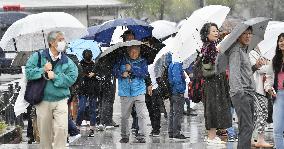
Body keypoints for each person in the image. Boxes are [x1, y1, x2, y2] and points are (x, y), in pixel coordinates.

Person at [25, 31, 78, 149]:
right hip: (43, 100)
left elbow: (72, 78)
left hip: (61, 99)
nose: (63, 42)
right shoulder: (38, 56)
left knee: (62, 128)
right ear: (51, 42)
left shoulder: (67, 60)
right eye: (60, 40)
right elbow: (28, 73)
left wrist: (55, 77)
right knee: (44, 132)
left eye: (63, 39)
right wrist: (42, 70)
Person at [200, 23, 231, 144]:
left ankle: (212, 136)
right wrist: (220, 52)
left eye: (217, 30)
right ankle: (211, 137)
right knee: (212, 107)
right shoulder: (210, 47)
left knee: (214, 107)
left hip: (215, 82)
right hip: (212, 82)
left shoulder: (211, 46)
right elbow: (216, 63)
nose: (216, 32)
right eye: (213, 31)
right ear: (207, 34)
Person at [225, 27, 256, 149]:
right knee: (246, 127)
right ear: (238, 36)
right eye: (245, 33)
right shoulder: (236, 51)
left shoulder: (243, 50)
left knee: (247, 126)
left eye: (250, 33)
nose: (248, 36)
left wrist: (255, 67)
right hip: (241, 93)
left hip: (248, 92)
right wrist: (240, 93)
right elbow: (234, 73)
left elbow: (244, 73)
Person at [113, 45, 148, 143]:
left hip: (139, 91)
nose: (134, 54)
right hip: (125, 92)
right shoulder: (121, 60)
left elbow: (144, 73)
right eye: (132, 52)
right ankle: (124, 136)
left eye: (136, 52)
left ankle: (141, 135)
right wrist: (121, 73)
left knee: (141, 115)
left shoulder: (142, 61)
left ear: (139, 52)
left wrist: (132, 68)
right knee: (124, 116)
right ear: (128, 52)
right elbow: (114, 72)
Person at [249, 46, 273, 148]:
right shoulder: (250, 52)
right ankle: (259, 139)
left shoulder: (258, 52)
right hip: (256, 88)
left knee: (260, 113)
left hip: (261, 88)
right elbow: (259, 69)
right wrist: (271, 66)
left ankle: (255, 138)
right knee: (261, 112)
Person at [264, 33, 284, 149]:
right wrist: (268, 88)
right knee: (277, 130)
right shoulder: (275, 60)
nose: (282, 43)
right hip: (279, 95)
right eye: (280, 41)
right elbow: (269, 78)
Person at [76, 49, 99, 137]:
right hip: (82, 89)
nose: (88, 56)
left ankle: (92, 128)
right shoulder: (80, 65)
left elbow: (99, 75)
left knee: (92, 109)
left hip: (93, 89)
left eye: (89, 55)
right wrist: (85, 74)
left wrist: (94, 74)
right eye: (86, 55)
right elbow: (78, 75)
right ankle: (77, 126)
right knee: (81, 108)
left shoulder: (94, 64)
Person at [168, 61, 188, 141]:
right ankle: (176, 133)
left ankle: (171, 132)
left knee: (173, 113)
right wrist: (181, 90)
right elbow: (176, 79)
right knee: (178, 113)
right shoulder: (177, 64)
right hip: (177, 92)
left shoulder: (172, 63)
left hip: (173, 92)